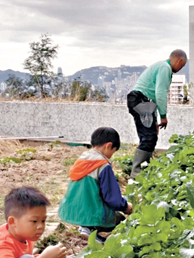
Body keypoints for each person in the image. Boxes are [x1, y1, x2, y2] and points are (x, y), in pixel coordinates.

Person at [58, 127, 133, 243]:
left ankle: (87, 228)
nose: (111, 156)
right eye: (113, 152)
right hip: (91, 214)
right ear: (108, 146)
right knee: (119, 218)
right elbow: (112, 198)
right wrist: (126, 207)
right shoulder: (103, 166)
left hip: (71, 211)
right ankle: (89, 228)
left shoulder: (82, 159)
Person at [126, 49, 187, 177]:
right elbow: (160, 93)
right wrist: (163, 116)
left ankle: (143, 170)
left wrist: (154, 120)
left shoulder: (161, 66)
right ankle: (137, 175)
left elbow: (152, 98)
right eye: (182, 66)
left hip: (141, 101)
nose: (180, 68)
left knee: (150, 136)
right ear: (179, 60)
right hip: (140, 100)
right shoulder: (165, 68)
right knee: (148, 138)